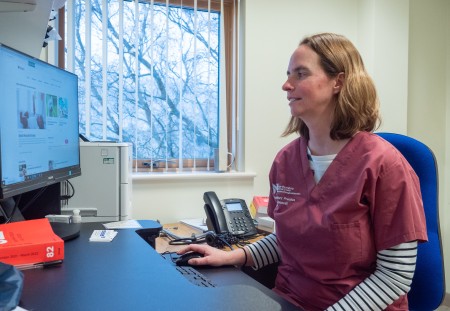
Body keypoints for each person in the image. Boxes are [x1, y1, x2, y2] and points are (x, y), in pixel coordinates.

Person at [178, 33, 427, 310]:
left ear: (338, 81)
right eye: (288, 75)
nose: (286, 85)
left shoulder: (385, 165)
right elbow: (290, 241)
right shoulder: (286, 161)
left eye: (300, 74)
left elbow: (395, 276)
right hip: (288, 301)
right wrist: (235, 256)